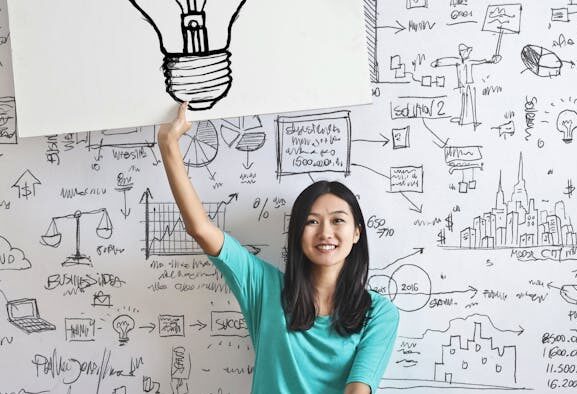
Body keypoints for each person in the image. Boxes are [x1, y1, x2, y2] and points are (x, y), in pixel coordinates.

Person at [158, 102, 399, 394]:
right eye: (312, 221)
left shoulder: (378, 312)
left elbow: (358, 390)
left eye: (338, 221)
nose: (326, 233)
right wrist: (169, 144)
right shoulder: (265, 287)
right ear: (298, 233)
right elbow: (200, 229)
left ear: (357, 232)